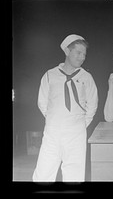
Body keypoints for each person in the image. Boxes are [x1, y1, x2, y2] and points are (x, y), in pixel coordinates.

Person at [33, 34, 98, 182]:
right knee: (44, 171)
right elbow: (42, 102)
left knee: (74, 173)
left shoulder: (86, 77)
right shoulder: (50, 75)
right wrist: (54, 119)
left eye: (84, 54)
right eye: (78, 53)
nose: (82, 57)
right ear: (67, 52)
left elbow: (92, 104)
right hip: (52, 131)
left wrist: (80, 123)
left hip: (76, 133)